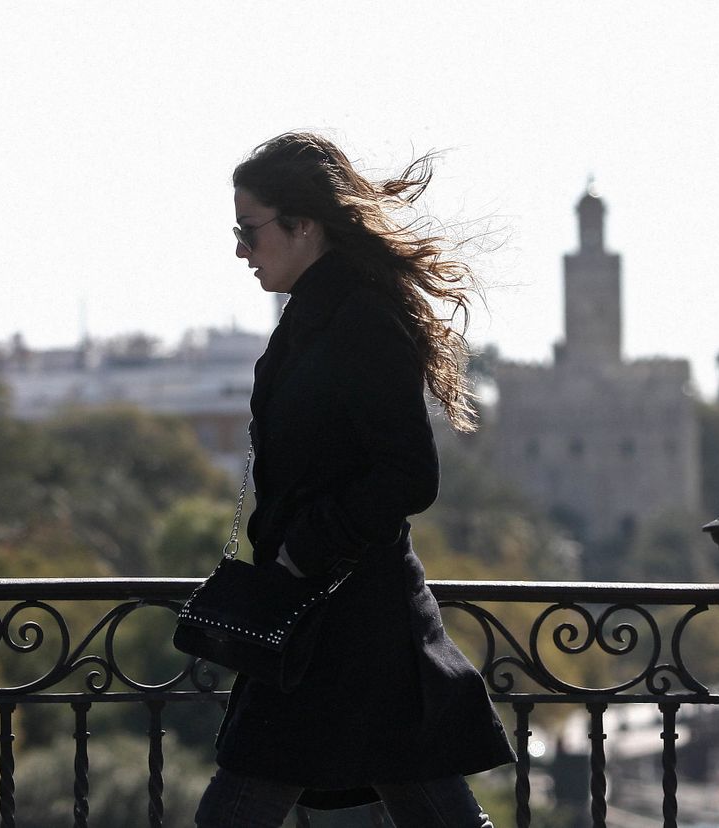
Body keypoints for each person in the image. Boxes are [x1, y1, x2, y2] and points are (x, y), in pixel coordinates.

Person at [195, 132, 514, 827]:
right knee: (425, 801)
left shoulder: (357, 319)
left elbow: (408, 473)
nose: (241, 250)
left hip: (340, 613)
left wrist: (304, 547)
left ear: (303, 226)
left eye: (248, 231)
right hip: (335, 615)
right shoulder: (321, 313)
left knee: (239, 806)